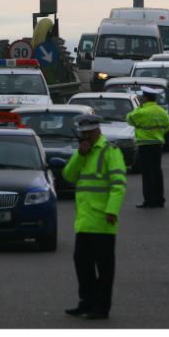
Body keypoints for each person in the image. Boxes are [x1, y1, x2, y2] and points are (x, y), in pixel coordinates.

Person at [62, 113, 127, 320]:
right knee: (82, 265)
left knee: (104, 269)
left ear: (97, 130)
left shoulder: (110, 151)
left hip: (102, 220)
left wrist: (112, 210)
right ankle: (86, 302)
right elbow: (68, 176)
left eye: (89, 133)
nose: (86, 136)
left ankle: (101, 308)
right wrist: (80, 155)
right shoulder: (83, 151)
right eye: (83, 133)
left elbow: (118, 185)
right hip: (83, 221)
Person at [126, 87, 169, 208]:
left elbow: (129, 118)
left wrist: (140, 107)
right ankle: (160, 199)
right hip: (157, 144)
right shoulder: (161, 111)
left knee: (147, 173)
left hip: (145, 144)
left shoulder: (142, 111)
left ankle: (149, 200)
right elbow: (168, 125)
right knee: (157, 171)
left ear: (145, 98)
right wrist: (158, 133)